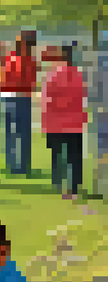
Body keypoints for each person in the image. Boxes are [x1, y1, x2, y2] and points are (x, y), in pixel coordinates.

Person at [41, 45, 86, 200]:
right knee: (75, 156)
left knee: (57, 154)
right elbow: (84, 97)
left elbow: (47, 101)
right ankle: (74, 188)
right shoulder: (80, 75)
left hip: (56, 122)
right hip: (75, 122)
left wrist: (45, 123)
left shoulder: (52, 76)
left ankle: (58, 183)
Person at [1, 31, 38, 178]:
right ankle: (22, 165)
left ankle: (13, 165)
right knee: (22, 133)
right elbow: (31, 82)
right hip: (21, 98)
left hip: (10, 97)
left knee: (12, 133)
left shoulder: (10, 58)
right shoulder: (29, 61)